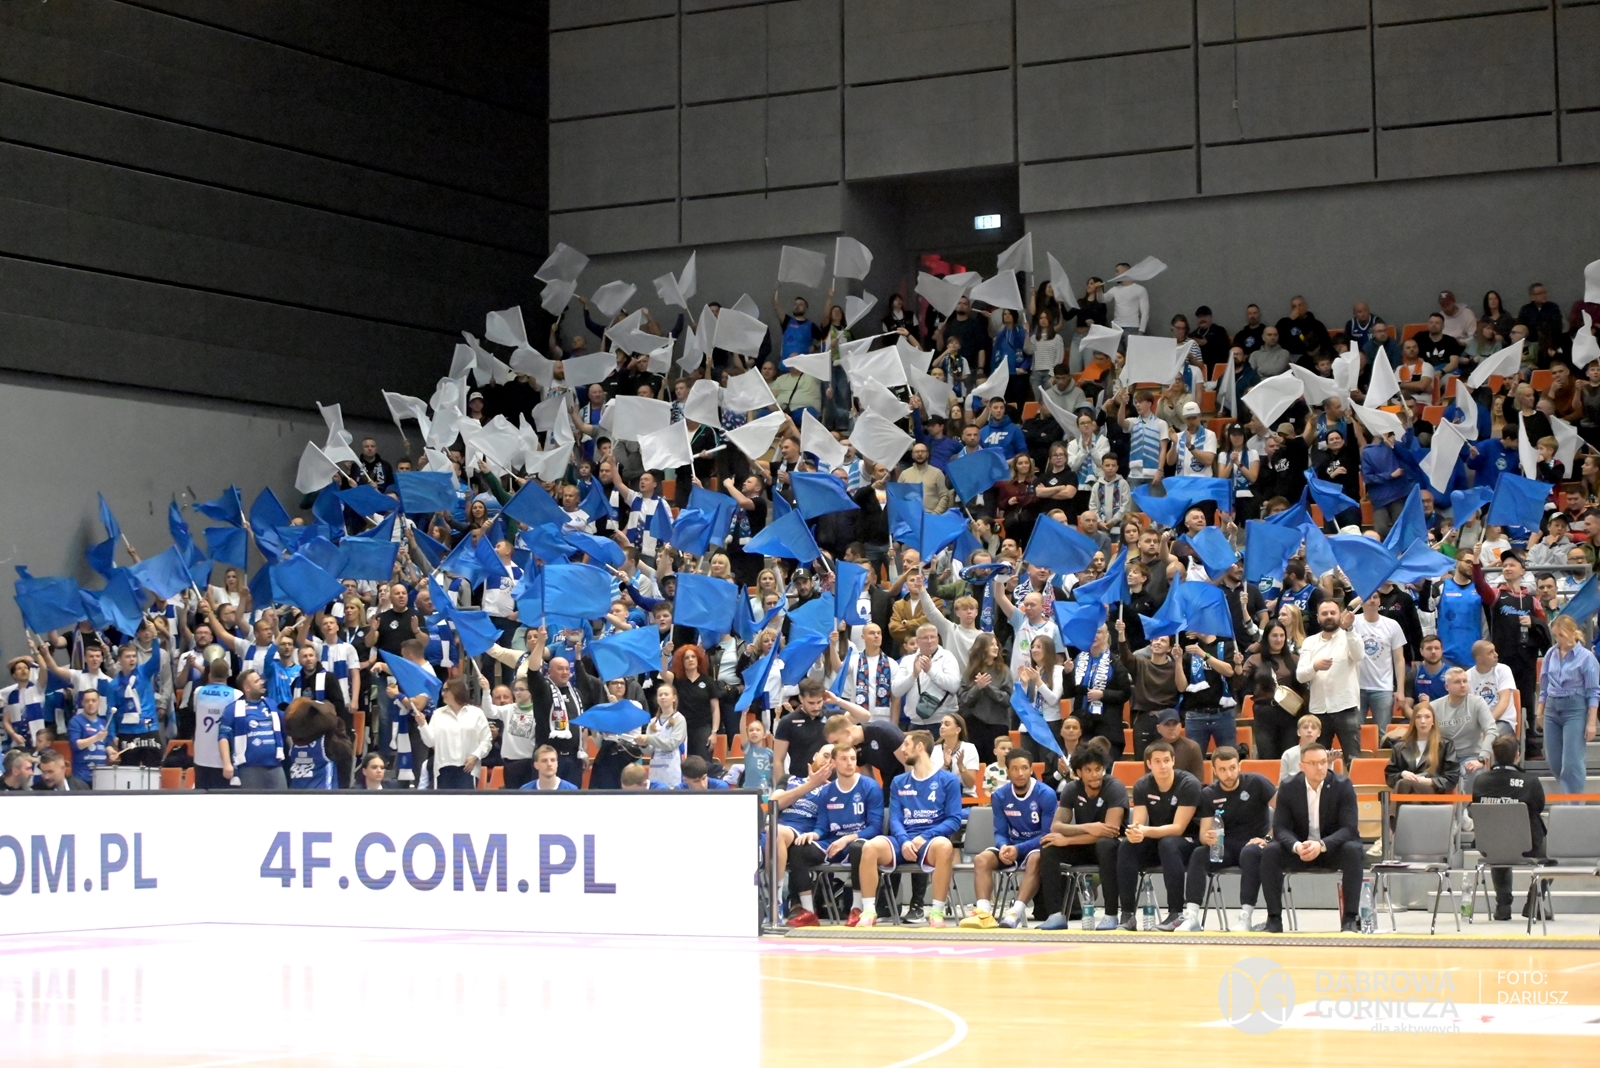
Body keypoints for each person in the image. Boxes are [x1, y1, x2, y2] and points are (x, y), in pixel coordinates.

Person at [853, 732, 964, 928]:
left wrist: (925, 836)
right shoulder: (899, 781)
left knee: (945, 846)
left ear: (920, 747)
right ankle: (869, 911)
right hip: (902, 839)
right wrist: (904, 840)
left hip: (930, 840)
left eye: (906, 744)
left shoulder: (948, 780)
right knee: (869, 847)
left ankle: (936, 912)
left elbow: (954, 820)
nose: (902, 749)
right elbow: (895, 818)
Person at [1259, 743, 1365, 933]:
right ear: (1302, 766)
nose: (1320, 767)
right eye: (1314, 763)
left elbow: (1349, 828)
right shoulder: (1288, 786)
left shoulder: (1343, 786)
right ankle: (1274, 919)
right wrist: (1296, 846)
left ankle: (1350, 919)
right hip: (1300, 849)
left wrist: (1321, 845)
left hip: (1331, 849)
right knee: (1270, 852)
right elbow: (1280, 827)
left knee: (1353, 850)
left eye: (1323, 762)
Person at [1177, 747, 1277, 931]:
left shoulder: (1256, 782)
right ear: (1214, 770)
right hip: (1226, 848)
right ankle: (1191, 916)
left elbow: (1285, 811)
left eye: (1232, 768)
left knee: (1250, 853)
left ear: (1239, 766)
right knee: (1199, 854)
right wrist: (1208, 838)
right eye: (1222, 769)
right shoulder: (1209, 794)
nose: (1229, 774)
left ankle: (1245, 917)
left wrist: (1268, 838)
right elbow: (1204, 834)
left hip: (1254, 843)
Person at [785, 742, 884, 926]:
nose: (850, 763)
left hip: (858, 840)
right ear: (833, 763)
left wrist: (846, 839)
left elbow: (875, 828)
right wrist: (813, 835)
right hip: (832, 842)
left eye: (852, 758)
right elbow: (822, 827)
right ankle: (808, 912)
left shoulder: (870, 786)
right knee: (799, 849)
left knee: (859, 848)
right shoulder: (826, 791)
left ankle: (856, 909)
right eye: (844, 759)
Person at [961, 749, 1058, 929]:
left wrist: (1018, 849)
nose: (1020, 773)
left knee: (1036, 858)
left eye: (1024, 768)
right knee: (982, 859)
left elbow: (1047, 835)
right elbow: (999, 831)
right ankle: (983, 914)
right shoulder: (1000, 796)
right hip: (1011, 847)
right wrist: (1003, 846)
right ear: (1007, 771)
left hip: (1035, 847)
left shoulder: (1046, 794)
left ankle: (1015, 913)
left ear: (1031, 769)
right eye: (1014, 769)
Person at [1036, 743, 1126, 930]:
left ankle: (1111, 915)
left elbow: (1110, 831)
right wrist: (1088, 827)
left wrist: (1068, 839)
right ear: (1079, 772)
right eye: (1088, 770)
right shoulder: (1071, 789)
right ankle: (1055, 915)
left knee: (1105, 844)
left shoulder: (1115, 787)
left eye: (1098, 769)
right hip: (1084, 846)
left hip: (1112, 848)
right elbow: (1056, 826)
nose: (1094, 774)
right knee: (1049, 846)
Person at [1116, 740, 1203, 931]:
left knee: (1169, 843)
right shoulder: (1142, 785)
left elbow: (1178, 828)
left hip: (1189, 842)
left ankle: (1175, 913)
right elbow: (1139, 822)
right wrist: (1134, 833)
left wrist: (1144, 831)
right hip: (1159, 839)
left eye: (1166, 760)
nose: (1163, 765)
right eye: (1157, 761)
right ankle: (1127, 914)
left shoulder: (1189, 784)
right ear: (1149, 764)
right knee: (1127, 846)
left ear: (1173, 761)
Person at [1471, 733, 1547, 922]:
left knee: (1499, 843)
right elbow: (1539, 807)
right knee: (1551, 858)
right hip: (1528, 845)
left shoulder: (1480, 782)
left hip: (1490, 845)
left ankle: (1503, 905)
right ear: (1517, 755)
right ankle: (1533, 904)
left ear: (1494, 755)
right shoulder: (1530, 782)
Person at [1536, 614, 1599, 798]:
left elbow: (1593, 692)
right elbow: (1544, 685)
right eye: (1556, 636)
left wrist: (1591, 723)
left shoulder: (1586, 658)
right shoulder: (1551, 654)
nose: (1558, 640)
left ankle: (1574, 804)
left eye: (1561, 635)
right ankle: (1569, 796)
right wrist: (1540, 712)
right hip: (1552, 708)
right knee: (1554, 760)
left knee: (1572, 762)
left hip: (1575, 709)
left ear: (1572, 632)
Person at [1296, 600, 1362, 761]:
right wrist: (1315, 667)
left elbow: (1359, 655)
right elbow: (1300, 676)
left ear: (1340, 615)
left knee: (1353, 759)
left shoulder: (1350, 636)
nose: (1329, 616)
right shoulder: (1309, 642)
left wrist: (1350, 629)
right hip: (1319, 710)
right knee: (1317, 758)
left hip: (1345, 707)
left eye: (1333, 613)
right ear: (1318, 618)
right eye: (1324, 614)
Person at [1115, 619, 1185, 759]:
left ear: (1169, 648)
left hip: (1167, 718)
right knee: (1143, 759)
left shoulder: (1174, 667)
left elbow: (1182, 687)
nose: (1158, 642)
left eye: (1163, 641)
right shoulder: (1140, 664)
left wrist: (1178, 661)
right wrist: (1121, 633)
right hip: (1144, 717)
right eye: (1155, 639)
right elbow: (1125, 655)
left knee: (1167, 758)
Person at [1418, 667, 1494, 791]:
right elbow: (1422, 734)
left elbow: (1492, 731)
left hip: (1470, 756)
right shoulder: (1434, 707)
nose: (1463, 685)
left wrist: (1482, 759)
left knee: (1475, 771)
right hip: (1443, 759)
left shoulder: (1477, 702)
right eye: (1457, 682)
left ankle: (1468, 804)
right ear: (1447, 687)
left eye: (1465, 681)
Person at [415, 677, 491, 790]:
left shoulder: (476, 713)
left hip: (468, 767)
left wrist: (475, 756)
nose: (443, 693)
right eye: (442, 690)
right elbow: (430, 742)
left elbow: (486, 740)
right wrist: (423, 724)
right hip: (443, 768)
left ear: (457, 690)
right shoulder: (438, 713)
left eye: (446, 690)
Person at [1351, 591, 1407, 738]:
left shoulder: (1392, 625)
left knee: (1384, 734)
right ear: (1361, 601)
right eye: (1368, 597)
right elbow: (1339, 620)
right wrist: (1353, 603)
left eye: (1375, 597)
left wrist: (1400, 690)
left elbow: (1399, 659)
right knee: (1355, 733)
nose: (1372, 600)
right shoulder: (1353, 623)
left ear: (1380, 601)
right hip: (1356, 688)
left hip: (1383, 688)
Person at [218, 670, 285, 790]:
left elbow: (287, 727)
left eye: (260, 679)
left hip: (275, 765)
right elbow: (223, 737)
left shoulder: (272, 705)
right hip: (249, 768)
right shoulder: (232, 709)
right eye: (257, 681)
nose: (262, 682)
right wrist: (227, 764)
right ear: (247, 688)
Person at [1385, 701, 1459, 798]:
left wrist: (1428, 781)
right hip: (1407, 793)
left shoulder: (1445, 745)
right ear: (1414, 721)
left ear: (1433, 720)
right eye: (1418, 717)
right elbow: (1390, 776)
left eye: (1427, 717)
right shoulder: (1400, 746)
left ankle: (1396, 809)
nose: (1423, 721)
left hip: (1434, 793)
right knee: (1406, 786)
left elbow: (1452, 778)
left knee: (1404, 784)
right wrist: (1402, 774)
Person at [636, 682, 688, 787]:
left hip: (674, 770)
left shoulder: (679, 719)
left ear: (674, 698)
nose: (663, 697)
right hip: (656, 770)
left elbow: (671, 744)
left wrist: (648, 738)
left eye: (666, 694)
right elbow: (649, 751)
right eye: (660, 695)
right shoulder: (653, 722)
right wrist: (643, 744)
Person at [1278, 713, 1325, 783]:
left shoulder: (1324, 754)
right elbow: (1282, 781)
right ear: (1299, 732)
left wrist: (1329, 762)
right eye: (1305, 727)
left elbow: (1328, 782)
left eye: (1313, 728)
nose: (1309, 731)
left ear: (1319, 733)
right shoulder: (1288, 754)